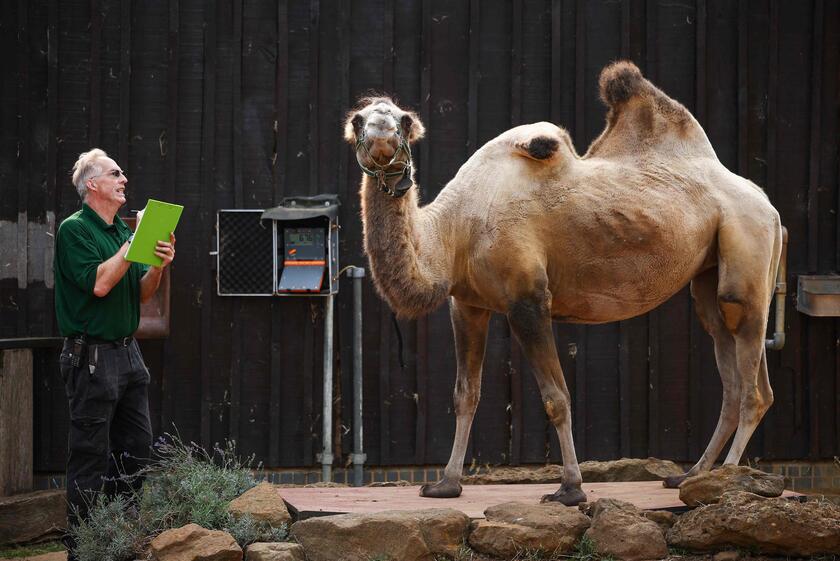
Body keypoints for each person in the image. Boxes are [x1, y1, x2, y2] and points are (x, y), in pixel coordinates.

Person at [54, 149, 175, 560]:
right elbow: (101, 285)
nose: (124, 178)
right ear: (92, 184)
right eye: (114, 173)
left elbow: (141, 293)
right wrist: (135, 244)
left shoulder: (120, 232)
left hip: (128, 355)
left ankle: (119, 543)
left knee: (136, 452)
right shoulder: (76, 230)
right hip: (90, 357)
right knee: (90, 456)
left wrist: (157, 264)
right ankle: (84, 549)